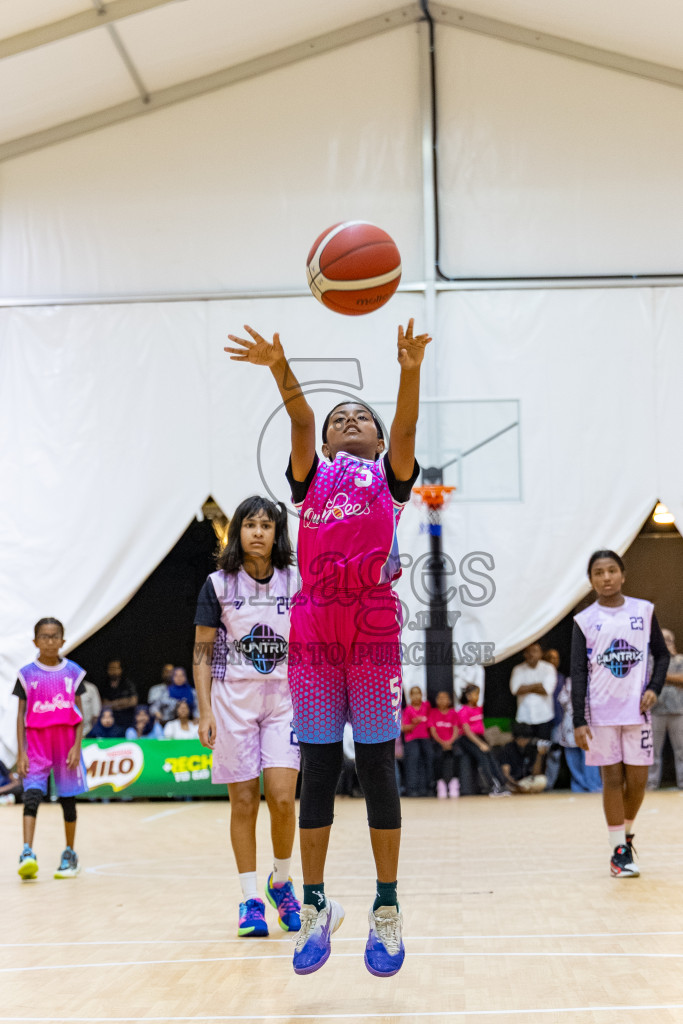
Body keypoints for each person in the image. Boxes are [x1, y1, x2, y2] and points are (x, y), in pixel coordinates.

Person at [225, 317, 429, 977]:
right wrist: (279, 368)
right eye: (340, 413)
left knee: (375, 769)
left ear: (373, 439)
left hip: (369, 626)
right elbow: (302, 420)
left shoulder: (386, 481)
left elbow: (404, 431)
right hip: (313, 626)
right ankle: (313, 906)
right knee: (316, 769)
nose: (347, 419)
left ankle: (387, 907)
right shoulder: (309, 479)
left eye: (358, 417)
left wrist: (407, 371)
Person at [194, 495, 301, 940]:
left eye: (267, 525)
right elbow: (201, 651)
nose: (258, 532)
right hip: (233, 702)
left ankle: (281, 882)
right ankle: (249, 899)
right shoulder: (218, 584)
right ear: (237, 531)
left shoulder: (296, 579)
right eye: (250, 525)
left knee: (281, 797)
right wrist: (204, 710)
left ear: (278, 534)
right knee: (242, 802)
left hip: (284, 701)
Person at [571, 549, 669, 877]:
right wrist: (579, 720)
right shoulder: (584, 620)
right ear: (591, 580)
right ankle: (618, 852)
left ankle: (624, 837)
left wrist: (654, 686)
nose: (606, 577)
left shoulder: (643, 610)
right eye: (599, 573)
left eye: (612, 570)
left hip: (637, 712)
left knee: (638, 782)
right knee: (612, 780)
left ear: (623, 574)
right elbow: (579, 672)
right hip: (600, 714)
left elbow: (662, 655)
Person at [13, 618, 87, 880]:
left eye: (55, 636)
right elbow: (20, 717)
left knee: (67, 801)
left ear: (63, 641)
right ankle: (27, 852)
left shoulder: (73, 672)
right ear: (35, 642)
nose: (50, 641)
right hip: (36, 745)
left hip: (66, 744)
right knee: (32, 796)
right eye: (44, 637)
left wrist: (77, 748)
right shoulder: (26, 674)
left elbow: (80, 714)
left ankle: (69, 853)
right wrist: (21, 753)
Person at [457, 684, 509, 796]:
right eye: (474, 694)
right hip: (468, 738)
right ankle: (492, 786)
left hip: (480, 737)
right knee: (483, 757)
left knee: (491, 757)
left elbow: (481, 726)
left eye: (478, 693)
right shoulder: (463, 710)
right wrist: (480, 744)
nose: (477, 696)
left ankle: (502, 783)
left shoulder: (478, 709)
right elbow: (467, 731)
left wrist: (486, 741)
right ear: (468, 696)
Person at [648, 628, 683, 790]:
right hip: (656, 711)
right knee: (653, 752)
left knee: (681, 750)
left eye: (668, 640)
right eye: (662, 640)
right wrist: (671, 680)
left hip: (678, 711)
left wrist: (662, 676)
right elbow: (648, 679)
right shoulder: (650, 660)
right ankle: (651, 784)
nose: (665, 643)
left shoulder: (680, 660)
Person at [556, 675, 602, 793]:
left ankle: (593, 785)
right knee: (573, 757)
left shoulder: (596, 680)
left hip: (588, 721)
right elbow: (562, 699)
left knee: (589, 756)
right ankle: (579, 786)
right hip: (569, 723)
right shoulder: (569, 681)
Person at [509, 643, 557, 741]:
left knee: (543, 750)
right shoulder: (518, 669)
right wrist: (538, 685)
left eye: (534, 651)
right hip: (524, 716)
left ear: (541, 653)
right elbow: (515, 690)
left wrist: (525, 687)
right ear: (524, 654)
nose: (531, 654)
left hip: (544, 716)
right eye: (528, 652)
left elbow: (546, 690)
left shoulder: (548, 668)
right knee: (525, 750)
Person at [401, 686, 433, 797]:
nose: (416, 696)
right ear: (410, 696)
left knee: (428, 760)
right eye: (413, 694)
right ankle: (412, 789)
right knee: (413, 762)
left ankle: (427, 788)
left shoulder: (426, 706)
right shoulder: (408, 710)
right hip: (412, 740)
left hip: (425, 739)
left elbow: (431, 722)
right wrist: (414, 724)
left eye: (418, 693)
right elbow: (403, 727)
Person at [497, 722, 546, 793]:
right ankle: (520, 790)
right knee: (508, 786)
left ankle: (523, 790)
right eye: (523, 739)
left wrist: (539, 755)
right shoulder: (508, 749)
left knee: (542, 780)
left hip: (525, 781)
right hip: (512, 782)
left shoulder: (531, 748)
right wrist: (515, 784)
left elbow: (535, 773)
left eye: (527, 739)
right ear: (516, 738)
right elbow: (505, 774)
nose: (525, 741)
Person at [541, 648, 565, 790]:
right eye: (550, 657)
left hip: (559, 721)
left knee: (555, 754)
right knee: (542, 752)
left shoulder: (562, 678)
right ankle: (540, 783)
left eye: (556, 658)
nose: (553, 661)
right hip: (542, 720)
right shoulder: (541, 675)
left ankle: (549, 783)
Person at [428, 690, 460, 798]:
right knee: (436, 757)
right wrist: (442, 742)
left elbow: (456, 730)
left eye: (445, 697)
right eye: (440, 698)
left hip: (452, 742)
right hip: (438, 743)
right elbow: (433, 731)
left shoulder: (453, 713)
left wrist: (450, 741)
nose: (442, 700)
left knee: (457, 755)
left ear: (449, 700)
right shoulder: (433, 713)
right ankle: (440, 783)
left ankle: (454, 783)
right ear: (436, 700)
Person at [99, 658, 138, 731]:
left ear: (121, 669)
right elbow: (103, 703)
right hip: (109, 723)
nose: (113, 671)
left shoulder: (128, 683)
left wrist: (112, 704)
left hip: (126, 720)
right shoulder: (104, 684)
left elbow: (133, 701)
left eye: (116, 668)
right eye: (111, 668)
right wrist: (123, 702)